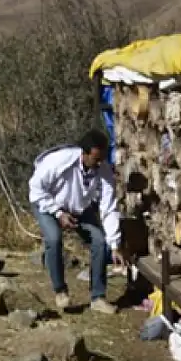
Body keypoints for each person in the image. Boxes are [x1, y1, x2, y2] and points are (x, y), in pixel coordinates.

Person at [28, 129, 124, 314]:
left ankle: (98, 297)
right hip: (47, 203)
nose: (100, 163)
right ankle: (60, 291)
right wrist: (57, 212)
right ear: (84, 153)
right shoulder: (59, 161)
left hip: (78, 206)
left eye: (102, 158)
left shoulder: (103, 169)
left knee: (99, 240)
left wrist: (114, 244)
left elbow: (108, 207)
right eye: (96, 159)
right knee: (54, 239)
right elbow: (36, 188)